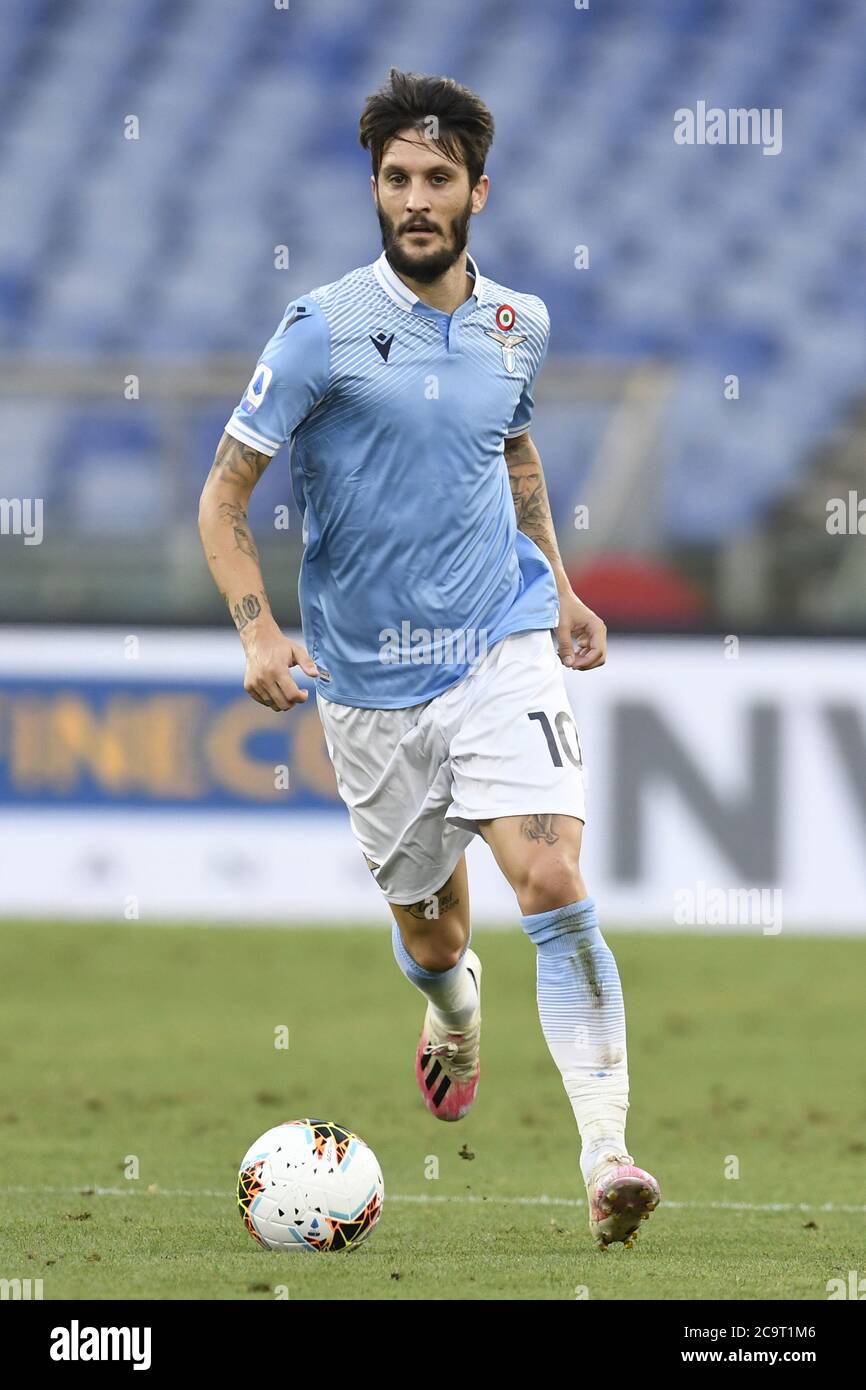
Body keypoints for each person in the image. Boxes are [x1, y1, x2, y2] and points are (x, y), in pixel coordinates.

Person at [198, 68, 660, 1249]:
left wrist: (557, 590)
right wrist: (258, 628)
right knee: (435, 936)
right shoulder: (320, 330)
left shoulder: (522, 326)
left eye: (437, 179)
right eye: (397, 179)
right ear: (373, 191)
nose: (415, 197)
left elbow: (512, 461)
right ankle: (452, 1015)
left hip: (497, 645)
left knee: (552, 884)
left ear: (475, 193)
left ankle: (606, 1155)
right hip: (364, 684)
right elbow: (223, 498)